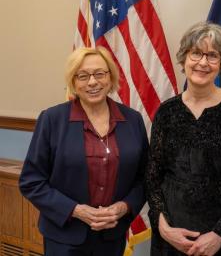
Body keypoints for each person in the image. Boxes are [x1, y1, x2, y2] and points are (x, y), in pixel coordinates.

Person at [146, 22, 221, 256]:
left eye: (212, 55)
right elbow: (152, 174)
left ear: (220, 63)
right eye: (196, 53)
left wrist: (220, 234)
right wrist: (163, 227)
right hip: (172, 241)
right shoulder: (166, 112)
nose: (202, 62)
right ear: (183, 59)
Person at [19, 47, 148, 256]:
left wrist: (123, 207)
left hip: (112, 236)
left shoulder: (133, 120)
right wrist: (75, 210)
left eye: (99, 73)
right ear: (73, 82)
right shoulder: (52, 120)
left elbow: (144, 178)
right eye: (83, 76)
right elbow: (31, 181)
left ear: (110, 77)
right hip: (64, 237)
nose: (92, 82)